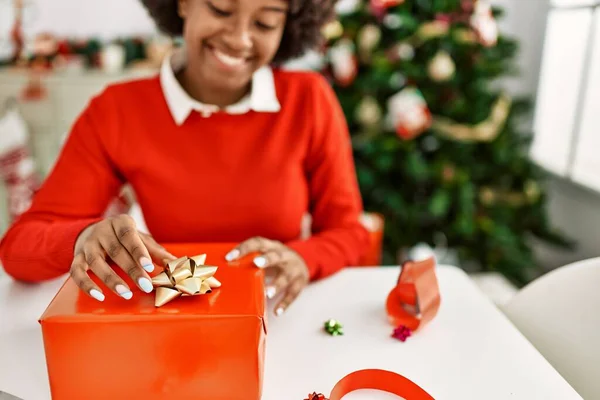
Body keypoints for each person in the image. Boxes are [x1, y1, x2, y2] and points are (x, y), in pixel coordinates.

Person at [0, 0, 369, 315]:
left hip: (281, 318)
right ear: (182, 3)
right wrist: (81, 236)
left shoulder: (309, 99)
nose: (240, 38)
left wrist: (304, 258)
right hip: (178, 321)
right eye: (221, 9)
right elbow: (20, 247)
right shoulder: (117, 111)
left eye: (264, 22)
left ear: (288, 26)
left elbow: (349, 232)